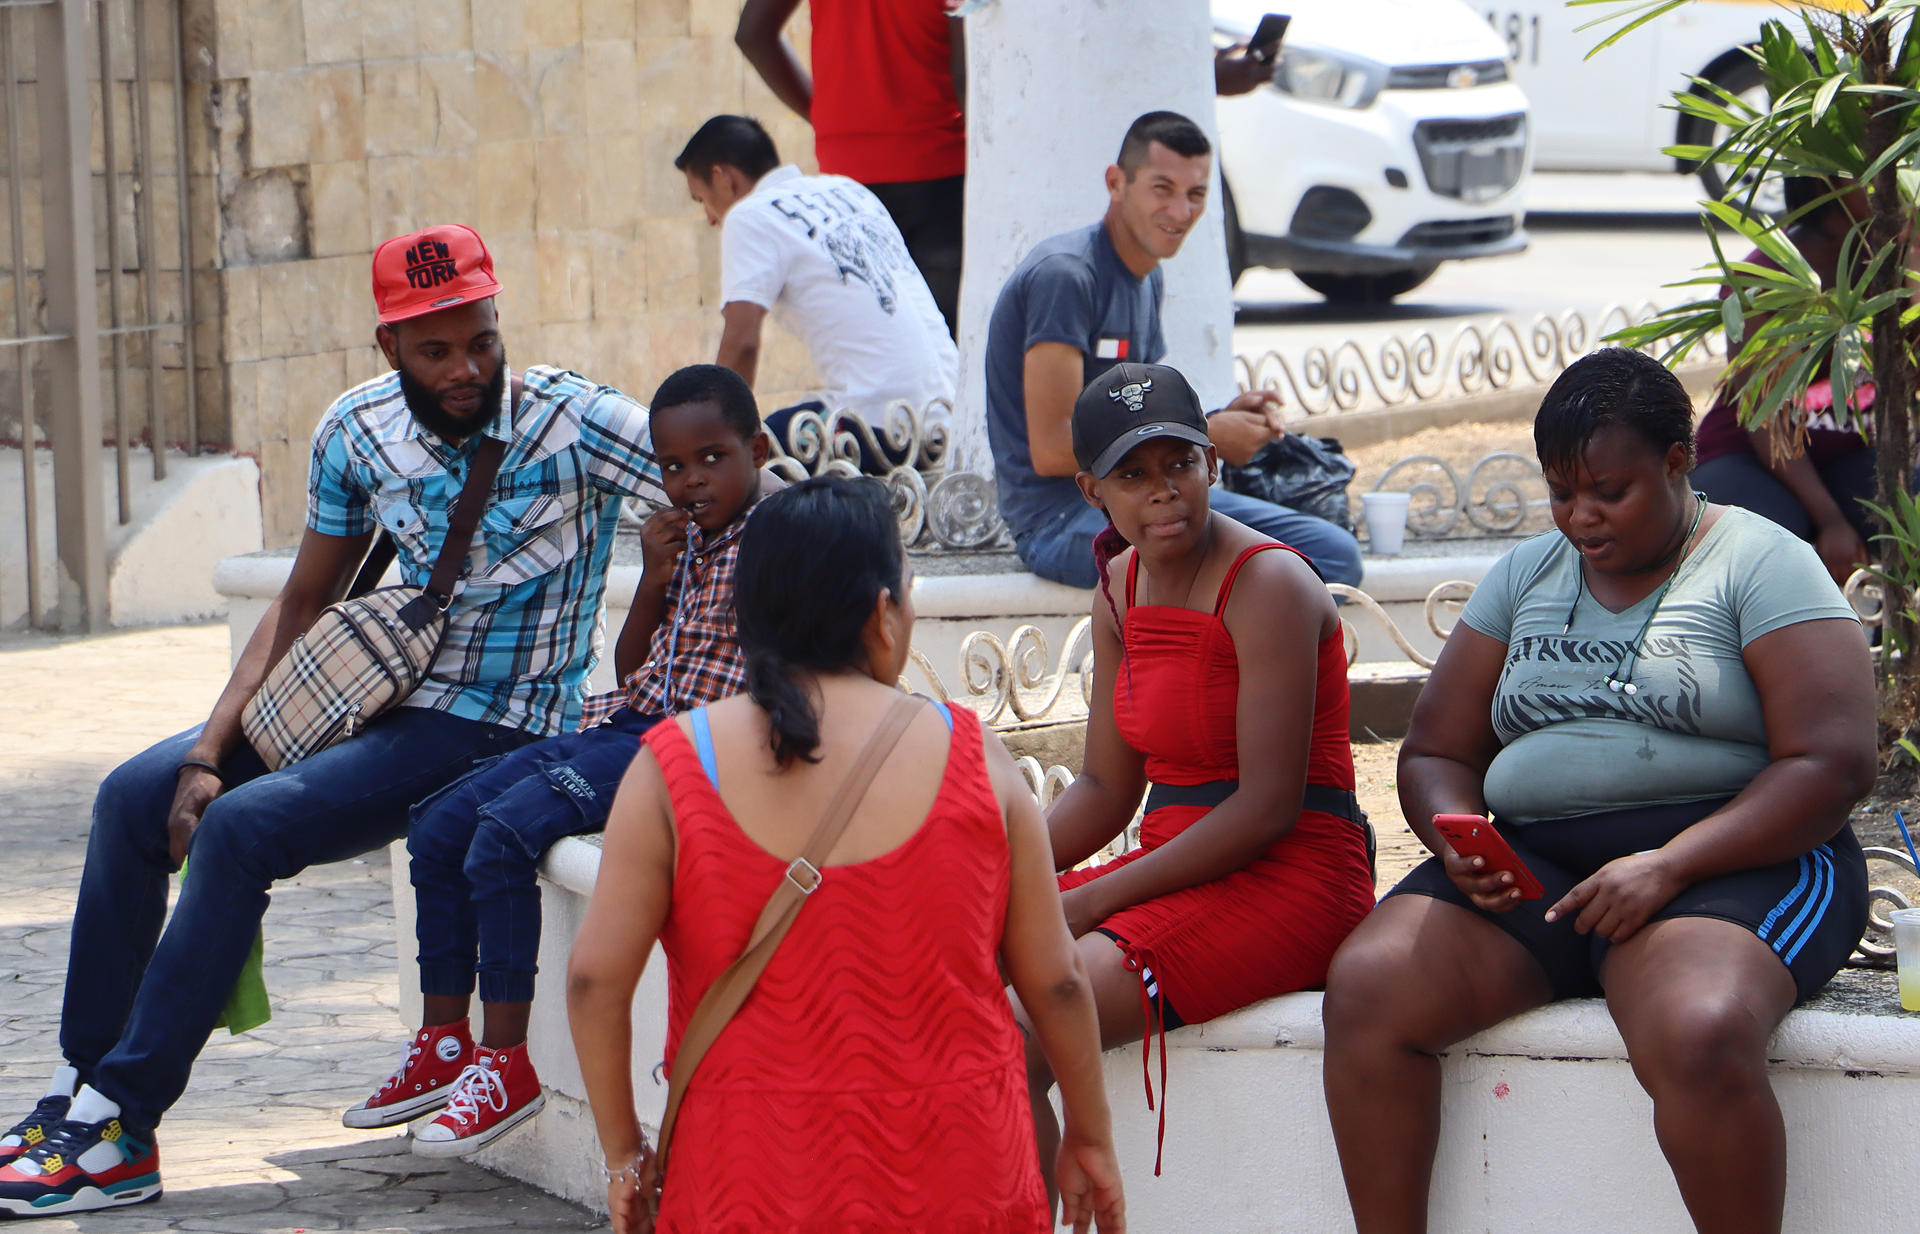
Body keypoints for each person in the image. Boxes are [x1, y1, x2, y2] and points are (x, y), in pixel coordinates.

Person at [0, 224, 666, 1219]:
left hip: (500, 723)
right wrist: (207, 747)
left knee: (245, 826)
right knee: (133, 797)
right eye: (434, 350)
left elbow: (733, 478)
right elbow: (303, 601)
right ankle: (86, 1092)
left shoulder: (574, 421)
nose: (464, 368)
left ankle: (123, 1118)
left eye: (480, 339)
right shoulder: (356, 429)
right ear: (387, 346)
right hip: (368, 693)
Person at [1321, 348, 1875, 1234]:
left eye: (1608, 492)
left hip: (1730, 857)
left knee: (1700, 1029)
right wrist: (1455, 839)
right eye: (1561, 492)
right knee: (1369, 987)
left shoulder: (1761, 564)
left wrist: (1666, 865)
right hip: (1537, 866)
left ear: (1676, 463)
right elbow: (1433, 749)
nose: (1580, 517)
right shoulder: (1526, 576)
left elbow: (1835, 764)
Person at [566, 476, 1125, 1234]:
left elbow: (597, 979)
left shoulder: (673, 767)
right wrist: (1089, 1137)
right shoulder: (971, 755)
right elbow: (1056, 981)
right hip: (960, 1168)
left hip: (748, 1175)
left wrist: (625, 1151)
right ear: (881, 614)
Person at [341, 365, 768, 1156]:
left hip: (685, 748)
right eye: (672, 467)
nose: (690, 481)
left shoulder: (777, 539)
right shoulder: (693, 536)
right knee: (436, 824)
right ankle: (443, 1043)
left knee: (503, 833)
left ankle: (507, 1064)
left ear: (758, 448)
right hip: (627, 722)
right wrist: (652, 579)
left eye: (711, 459)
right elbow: (640, 669)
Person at [1028, 362, 1376, 1181]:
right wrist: (998, 875)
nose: (1164, 491)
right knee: (973, 997)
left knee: (1029, 1014)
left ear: (1213, 464)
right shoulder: (1116, 587)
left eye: (1180, 463)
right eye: (1133, 475)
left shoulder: (1270, 583)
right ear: (1092, 491)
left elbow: (1266, 810)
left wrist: (1087, 899)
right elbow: (1107, 790)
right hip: (1170, 867)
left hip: (1289, 873)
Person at [983, 110, 1363, 590]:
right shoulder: (1067, 276)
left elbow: (1139, 414)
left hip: (1148, 497)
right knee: (1284, 572)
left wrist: (1221, 420)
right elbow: (1054, 448)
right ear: (1116, 183)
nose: (1181, 212)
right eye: (1163, 189)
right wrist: (1209, 436)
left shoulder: (1146, 277)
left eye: (1196, 194)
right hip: (1061, 521)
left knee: (1332, 555)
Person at [675, 114, 959, 474]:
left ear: (723, 177)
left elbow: (742, 342)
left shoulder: (749, 215)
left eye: (701, 199)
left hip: (880, 428)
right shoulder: (849, 190)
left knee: (755, 460)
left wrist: (710, 446)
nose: (710, 219)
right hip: (952, 413)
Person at [735, 0, 967, 336]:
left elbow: (753, 33)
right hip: (938, 172)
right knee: (949, 349)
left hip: (845, 181)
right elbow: (968, 74)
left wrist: (825, 118)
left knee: (871, 347)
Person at [1692, 176, 1880, 585]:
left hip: (1850, 450)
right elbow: (1764, 417)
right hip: (1749, 453)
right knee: (1773, 537)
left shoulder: (1893, 261)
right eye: (1868, 170)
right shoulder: (1762, 275)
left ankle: (1895, 642)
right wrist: (1830, 521)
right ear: (1822, 187)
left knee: (1902, 511)